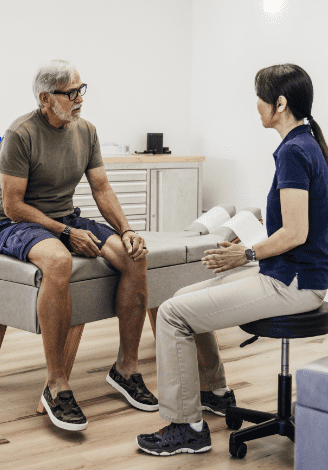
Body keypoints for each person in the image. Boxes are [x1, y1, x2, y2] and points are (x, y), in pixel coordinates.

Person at [136, 63, 328, 456]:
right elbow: (298, 222)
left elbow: (296, 234)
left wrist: (248, 252)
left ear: (279, 103)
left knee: (172, 313)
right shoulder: (306, 143)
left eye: (260, 97)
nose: (255, 105)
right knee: (184, 295)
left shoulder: (294, 151)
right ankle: (215, 393)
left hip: (291, 284)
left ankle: (186, 426)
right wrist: (254, 232)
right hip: (291, 275)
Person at [0, 59, 159, 432]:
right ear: (46, 98)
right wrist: (65, 235)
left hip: (65, 218)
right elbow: (14, 206)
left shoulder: (86, 130)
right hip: (15, 224)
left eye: (82, 89)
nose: (80, 98)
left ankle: (126, 369)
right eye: (72, 93)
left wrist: (126, 230)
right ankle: (56, 385)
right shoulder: (20, 133)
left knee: (134, 258)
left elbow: (101, 188)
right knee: (59, 261)